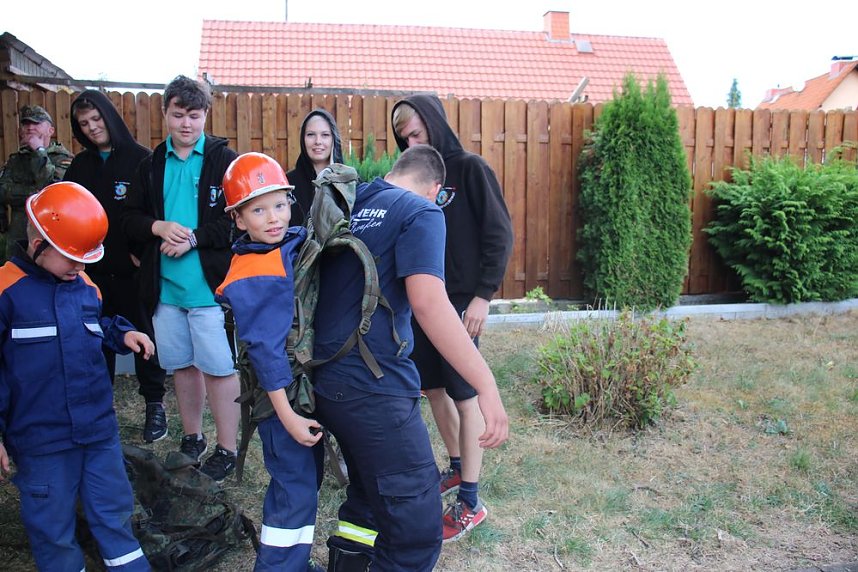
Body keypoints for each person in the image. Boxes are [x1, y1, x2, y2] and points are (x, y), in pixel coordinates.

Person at [313, 144, 509, 571]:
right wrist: (485, 383)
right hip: (371, 387)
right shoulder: (422, 213)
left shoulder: (351, 199)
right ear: (436, 190)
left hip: (321, 381)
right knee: (416, 529)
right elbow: (429, 304)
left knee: (366, 497)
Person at [0, 181, 153, 571]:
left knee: (115, 513)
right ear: (38, 243)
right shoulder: (6, 291)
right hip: (41, 440)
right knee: (52, 527)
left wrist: (123, 333)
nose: (81, 267)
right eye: (71, 257)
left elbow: (95, 324)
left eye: (86, 258)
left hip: (98, 432)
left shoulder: (84, 284)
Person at [392, 95, 514, 542]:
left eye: (417, 133)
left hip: (461, 302)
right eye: (404, 137)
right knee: (433, 388)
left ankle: (470, 501)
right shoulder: (412, 182)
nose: (410, 141)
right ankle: (458, 464)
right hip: (422, 299)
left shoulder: (470, 169)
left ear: (434, 125)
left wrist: (483, 296)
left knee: (466, 393)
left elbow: (500, 234)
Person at [122, 75, 240, 483]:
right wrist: (158, 228)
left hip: (209, 289)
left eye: (194, 115)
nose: (186, 123)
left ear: (205, 115)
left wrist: (193, 237)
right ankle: (194, 438)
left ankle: (228, 447)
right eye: (178, 115)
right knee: (184, 368)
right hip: (165, 290)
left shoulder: (224, 161)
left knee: (219, 370)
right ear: (165, 114)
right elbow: (129, 219)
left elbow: (237, 224)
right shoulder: (151, 164)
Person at [216, 152, 325, 572]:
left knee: (303, 485)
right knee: (293, 490)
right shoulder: (253, 272)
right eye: (258, 210)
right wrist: (289, 418)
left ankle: (292, 564)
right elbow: (266, 354)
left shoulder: (282, 244)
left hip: (299, 395)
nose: (274, 217)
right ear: (239, 220)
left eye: (279, 204)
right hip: (280, 402)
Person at [65, 89, 168, 443]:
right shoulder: (80, 166)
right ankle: (99, 408)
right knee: (98, 342)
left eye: (97, 119)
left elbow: (153, 215)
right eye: (84, 124)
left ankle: (155, 405)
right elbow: (68, 215)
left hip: (131, 271)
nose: (93, 128)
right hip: (91, 274)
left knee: (144, 338)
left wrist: (142, 253)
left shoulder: (142, 159)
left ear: (109, 116)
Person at [0, 105, 74, 262]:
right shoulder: (16, 160)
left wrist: (39, 152)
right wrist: (36, 192)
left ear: (51, 131)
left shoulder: (64, 159)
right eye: (26, 124)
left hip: (50, 235)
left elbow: (52, 191)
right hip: (18, 236)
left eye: (37, 123)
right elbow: (3, 191)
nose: (30, 128)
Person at [286, 109, 344, 227]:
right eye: (311, 135)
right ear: (303, 139)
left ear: (334, 139)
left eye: (325, 135)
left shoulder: (350, 182)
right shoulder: (287, 184)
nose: (318, 141)